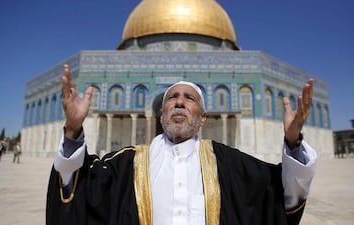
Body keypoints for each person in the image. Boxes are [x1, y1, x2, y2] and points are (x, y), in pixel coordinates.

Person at [46, 64, 317, 225]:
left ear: (202, 118)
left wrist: (293, 141)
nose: (179, 101)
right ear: (161, 113)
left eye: (189, 98)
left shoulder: (231, 165)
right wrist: (72, 130)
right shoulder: (126, 165)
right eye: (171, 97)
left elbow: (285, 193)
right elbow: (75, 187)